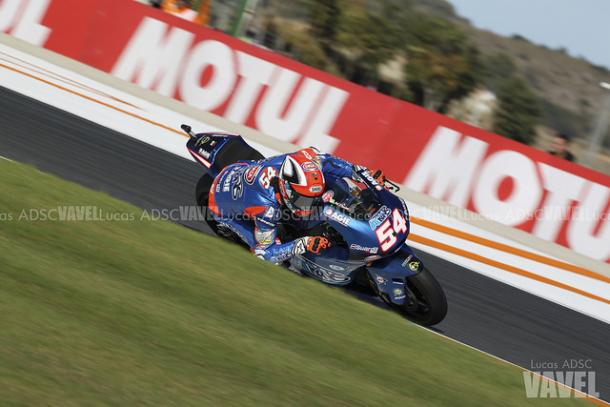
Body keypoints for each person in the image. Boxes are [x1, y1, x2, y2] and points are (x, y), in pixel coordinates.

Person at [207, 148, 384, 264]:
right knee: (265, 257)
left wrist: (364, 174)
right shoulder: (266, 209)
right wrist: (304, 243)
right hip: (221, 206)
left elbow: (330, 163)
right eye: (304, 199)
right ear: (287, 190)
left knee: (335, 180)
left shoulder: (305, 160)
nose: (310, 206)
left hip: (244, 168)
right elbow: (266, 253)